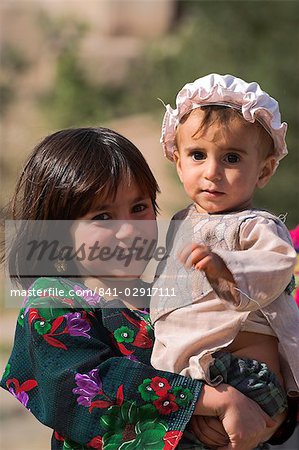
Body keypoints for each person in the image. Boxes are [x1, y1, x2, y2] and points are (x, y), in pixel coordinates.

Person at [0, 126, 276, 450]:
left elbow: (246, 350)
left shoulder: (172, 295)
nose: (128, 230)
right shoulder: (52, 303)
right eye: (103, 216)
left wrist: (263, 416)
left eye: (139, 207)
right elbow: (80, 382)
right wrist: (210, 400)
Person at [150, 74, 299, 447]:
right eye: (198, 155)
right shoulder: (179, 224)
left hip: (247, 376)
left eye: (231, 158)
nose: (212, 172)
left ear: (263, 171)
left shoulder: (255, 226)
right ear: (177, 161)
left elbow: (278, 264)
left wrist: (224, 267)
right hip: (195, 377)